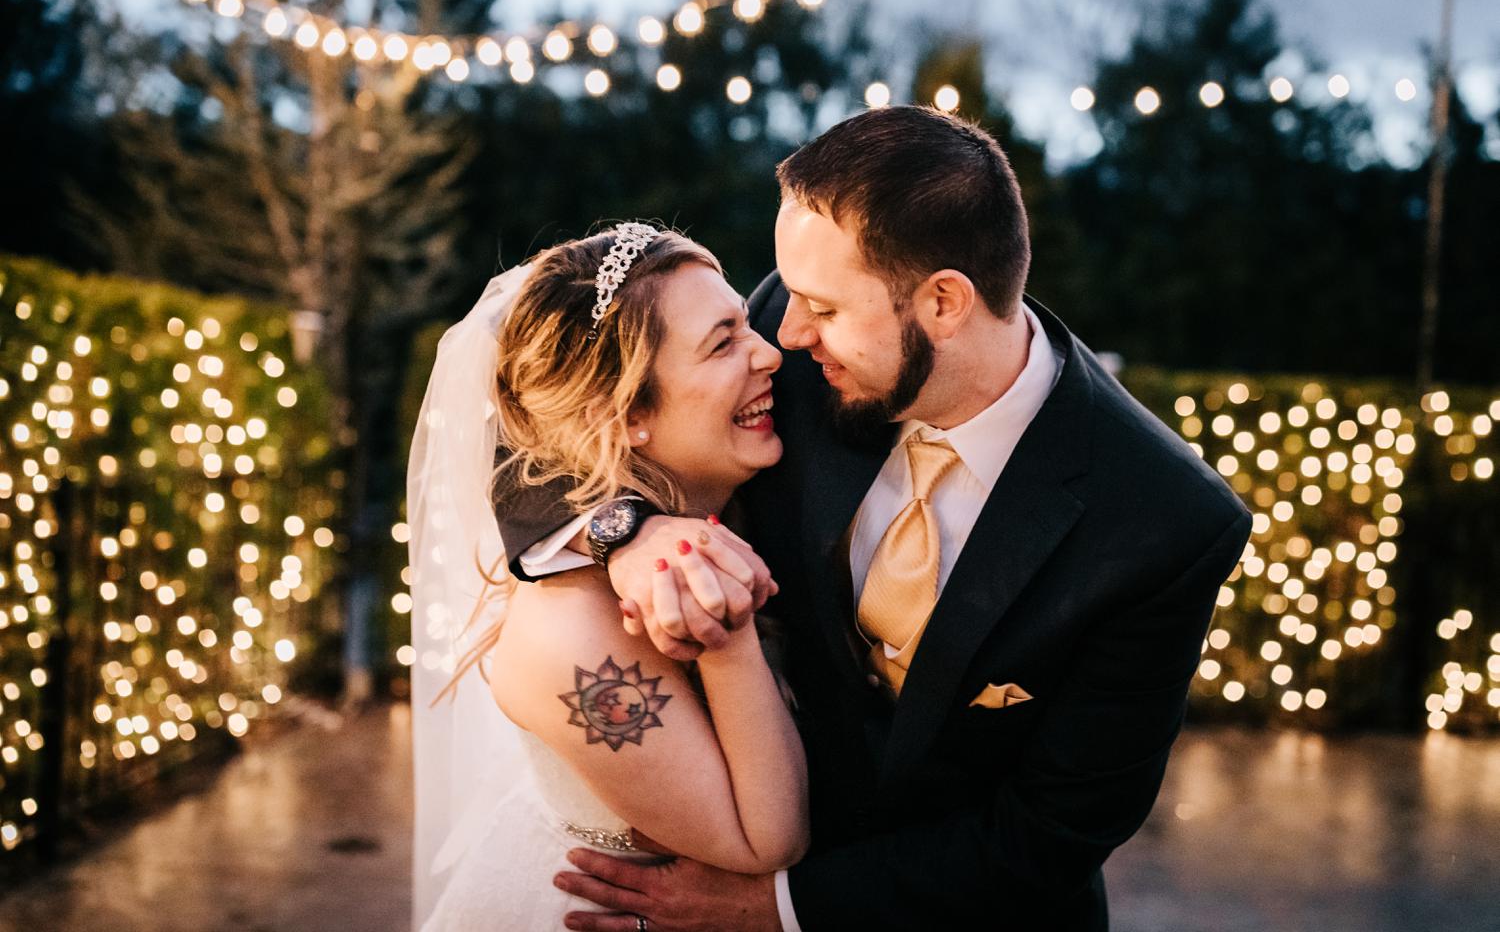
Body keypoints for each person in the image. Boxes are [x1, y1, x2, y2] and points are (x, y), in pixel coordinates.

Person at [499, 106, 1254, 931]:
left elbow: (1051, 833)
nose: (782, 333)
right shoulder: (788, 343)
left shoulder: (1164, 521)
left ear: (942, 303)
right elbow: (546, 426)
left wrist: (772, 911)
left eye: (819, 309)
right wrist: (626, 532)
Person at [408, 224, 810, 931]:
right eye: (722, 343)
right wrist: (720, 625)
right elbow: (765, 839)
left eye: (744, 324)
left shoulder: (714, 491)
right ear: (627, 416)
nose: (770, 352)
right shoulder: (567, 634)